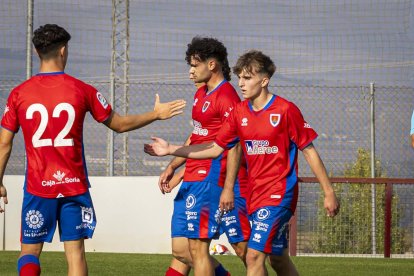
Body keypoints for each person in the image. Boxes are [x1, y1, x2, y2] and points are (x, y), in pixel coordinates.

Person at [0, 24, 186, 276]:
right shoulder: (82, 90)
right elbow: (119, 125)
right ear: (64, 50)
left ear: (36, 51)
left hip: (38, 186)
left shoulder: (19, 94)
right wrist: (155, 114)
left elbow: (4, 143)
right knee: (75, 255)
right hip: (74, 186)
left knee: (29, 253)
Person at [144, 50, 340, 276]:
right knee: (277, 259)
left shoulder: (285, 110)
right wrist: (171, 150)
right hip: (254, 195)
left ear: (264, 81)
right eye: (239, 78)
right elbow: (216, 147)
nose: (241, 84)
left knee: (253, 256)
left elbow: (309, 151)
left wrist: (328, 191)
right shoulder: (239, 112)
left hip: (279, 193)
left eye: (247, 78)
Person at [161, 36, 251, 276]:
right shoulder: (201, 94)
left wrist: (228, 187)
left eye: (195, 65)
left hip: (211, 177)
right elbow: (197, 135)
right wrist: (175, 167)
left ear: (211, 65)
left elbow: (233, 144)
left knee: (201, 249)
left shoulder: (227, 97)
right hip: (193, 174)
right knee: (181, 250)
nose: (191, 71)